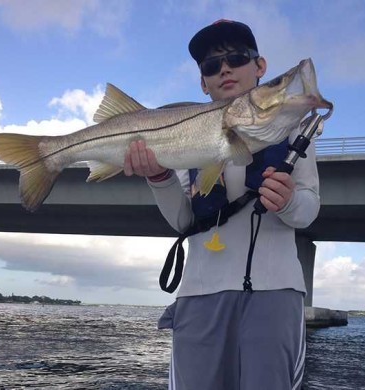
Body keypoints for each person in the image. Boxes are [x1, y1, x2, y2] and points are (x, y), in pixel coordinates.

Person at [123, 19, 319, 390]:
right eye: (211, 66)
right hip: (199, 293)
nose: (224, 68)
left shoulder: (291, 125)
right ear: (203, 82)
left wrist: (290, 201)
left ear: (259, 67)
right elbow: (183, 220)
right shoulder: (182, 133)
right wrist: (159, 177)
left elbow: (310, 207)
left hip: (276, 294)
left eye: (236, 58)